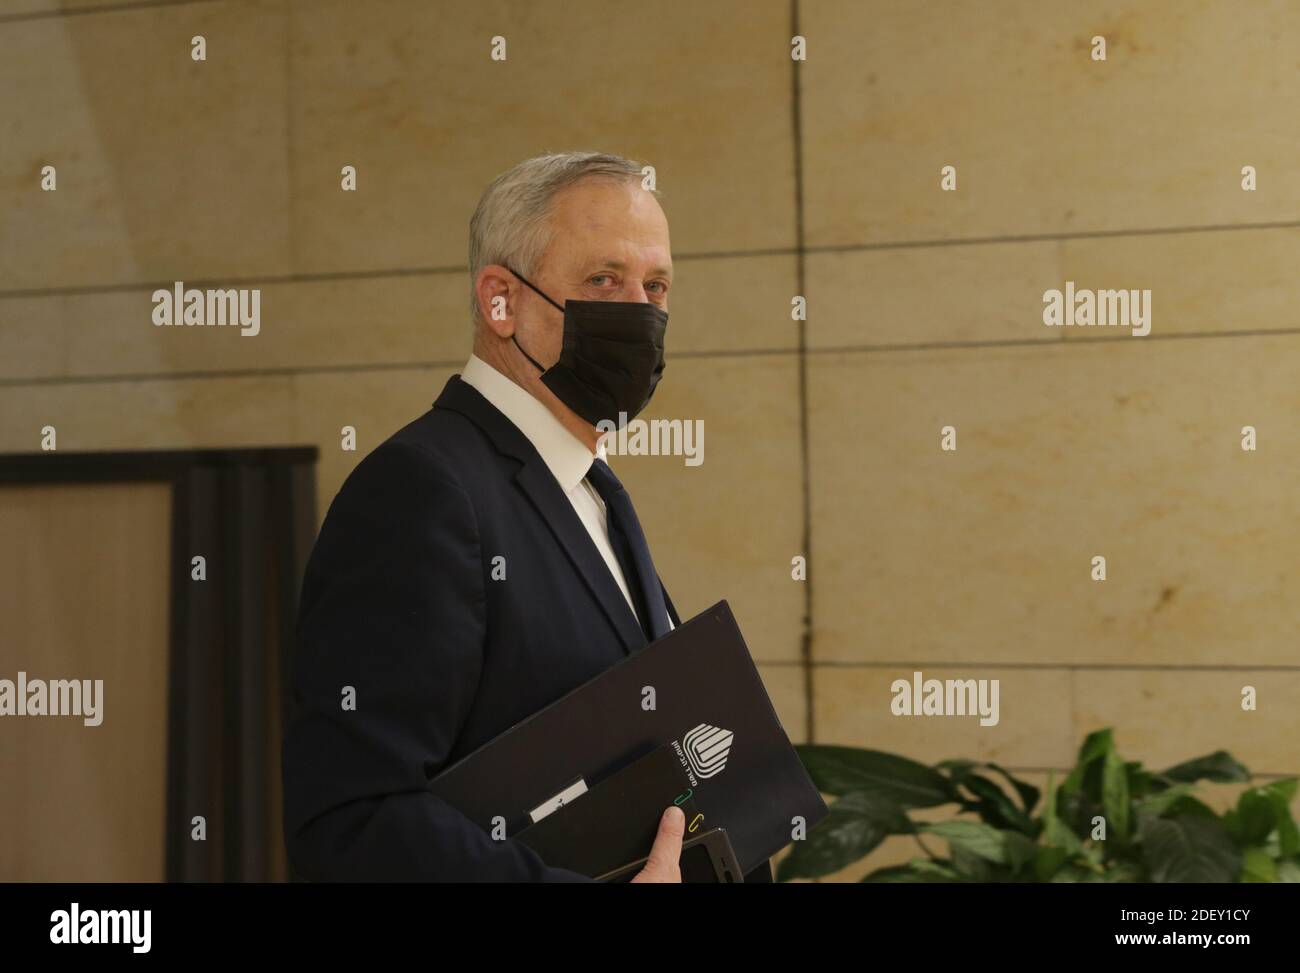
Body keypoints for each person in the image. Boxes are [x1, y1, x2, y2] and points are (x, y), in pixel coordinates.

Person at [281, 151, 772, 883]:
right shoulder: (422, 490)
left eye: (656, 286)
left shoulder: (593, 490)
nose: (639, 310)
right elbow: (352, 820)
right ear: (500, 300)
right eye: (604, 279)